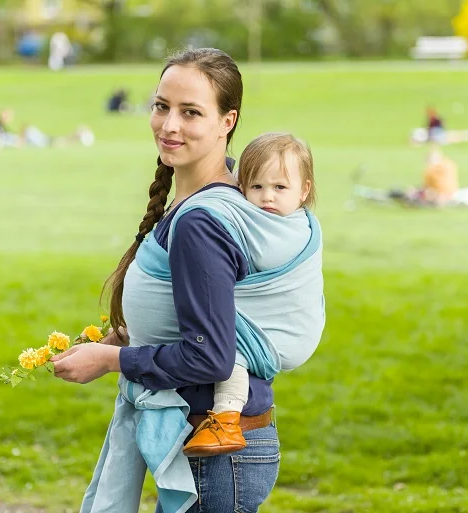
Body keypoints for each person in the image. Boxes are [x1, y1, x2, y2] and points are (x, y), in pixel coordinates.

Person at [50, 48, 323, 513]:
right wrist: (129, 335)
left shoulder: (205, 219)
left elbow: (210, 357)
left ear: (227, 121)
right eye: (161, 106)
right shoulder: (233, 195)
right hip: (205, 443)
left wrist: (112, 360)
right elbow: (208, 314)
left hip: (216, 449)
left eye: (190, 112)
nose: (168, 125)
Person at [182, 132, 320, 457]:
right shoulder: (284, 221)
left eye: (279, 187)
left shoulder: (288, 230)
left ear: (304, 190)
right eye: (256, 187)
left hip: (281, 332)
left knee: (229, 352)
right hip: (287, 330)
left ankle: (227, 419)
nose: (266, 198)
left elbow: (257, 256)